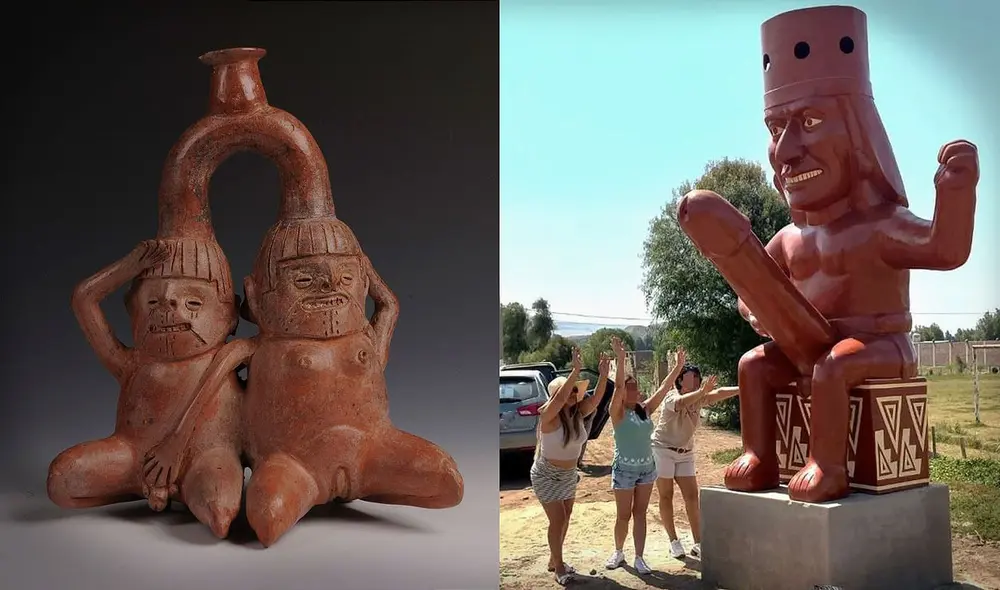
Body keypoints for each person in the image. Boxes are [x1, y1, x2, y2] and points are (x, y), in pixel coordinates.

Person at [603, 337, 686, 575]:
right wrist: (620, 360)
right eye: (632, 388)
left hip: (647, 469)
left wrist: (678, 368)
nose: (636, 390)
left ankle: (639, 557)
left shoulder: (644, 409)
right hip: (624, 471)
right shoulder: (617, 412)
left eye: (636, 387)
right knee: (623, 515)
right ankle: (619, 552)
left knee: (640, 514)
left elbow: (662, 389)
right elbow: (617, 388)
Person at [531, 347, 611, 585]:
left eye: (576, 390)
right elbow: (557, 403)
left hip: (567, 475)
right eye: (570, 390)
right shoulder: (549, 416)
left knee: (565, 518)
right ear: (558, 396)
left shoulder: (578, 414)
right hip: (546, 475)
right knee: (558, 519)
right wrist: (575, 372)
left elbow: (596, 399)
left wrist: (604, 375)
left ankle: (553, 559)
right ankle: (558, 567)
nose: (575, 394)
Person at [651, 360, 739, 559]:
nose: (697, 378)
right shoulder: (671, 397)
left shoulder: (699, 397)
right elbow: (682, 403)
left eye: (698, 376)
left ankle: (698, 542)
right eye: (693, 375)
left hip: (685, 453)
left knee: (691, 496)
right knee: (666, 495)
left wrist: (743, 386)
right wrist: (702, 392)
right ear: (681, 380)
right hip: (663, 449)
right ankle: (674, 541)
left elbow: (719, 393)